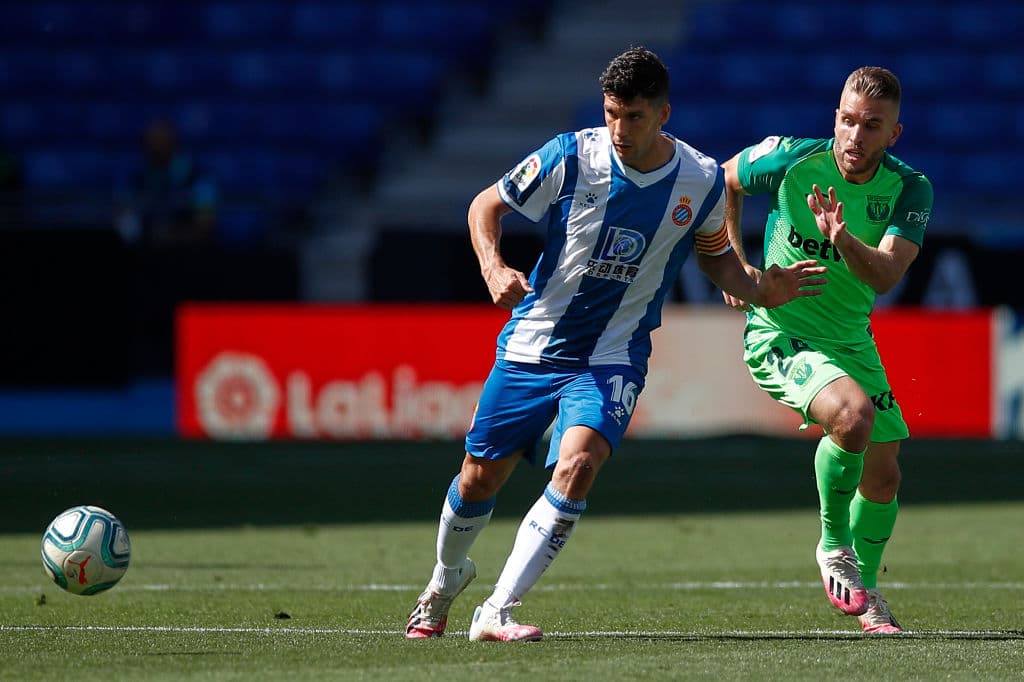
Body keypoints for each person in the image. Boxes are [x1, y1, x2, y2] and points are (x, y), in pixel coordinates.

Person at [404, 47, 827, 642]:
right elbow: (485, 206)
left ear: (663, 114)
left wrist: (762, 287)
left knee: (578, 464)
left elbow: (719, 264)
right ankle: (446, 580)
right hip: (535, 343)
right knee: (479, 477)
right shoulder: (572, 154)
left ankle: (496, 609)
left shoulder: (700, 180)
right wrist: (493, 267)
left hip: (613, 354)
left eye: (633, 116)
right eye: (611, 114)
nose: (620, 129)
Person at [720, 66, 932, 634]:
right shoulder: (790, 160)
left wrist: (840, 237)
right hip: (780, 332)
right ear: (834, 117)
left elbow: (886, 275)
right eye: (847, 120)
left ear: (894, 135)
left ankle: (868, 591)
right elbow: (723, 181)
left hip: (850, 339)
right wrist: (738, 266)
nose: (854, 137)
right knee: (853, 417)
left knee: (884, 476)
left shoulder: (911, 188)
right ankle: (834, 547)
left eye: (871, 126)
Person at [115, 118, 217, 247]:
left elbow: (206, 222)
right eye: (153, 141)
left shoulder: (198, 177)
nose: (157, 146)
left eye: (163, 141)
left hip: (188, 253)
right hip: (144, 252)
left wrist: (173, 236)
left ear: (174, 142)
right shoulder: (135, 178)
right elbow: (123, 219)